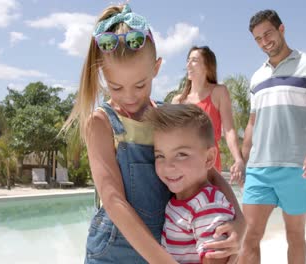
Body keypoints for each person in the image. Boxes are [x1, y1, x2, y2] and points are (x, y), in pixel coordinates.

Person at [62, 4, 245, 263]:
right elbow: (113, 201)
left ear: (156, 69)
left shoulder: (166, 117)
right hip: (115, 253)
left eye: (140, 85)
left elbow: (211, 174)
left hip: (167, 246)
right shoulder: (102, 123)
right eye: (116, 87)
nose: (129, 97)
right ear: (102, 75)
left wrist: (240, 223)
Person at [240, 9, 306, 264]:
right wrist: (243, 159)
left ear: (281, 29)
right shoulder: (257, 77)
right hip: (259, 169)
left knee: (295, 235)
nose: (264, 42)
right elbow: (252, 123)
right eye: (258, 39)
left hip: (297, 167)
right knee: (249, 236)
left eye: (268, 34)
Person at [144, 104, 240, 264]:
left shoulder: (207, 205)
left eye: (181, 154)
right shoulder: (184, 202)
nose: (168, 166)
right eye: (160, 155)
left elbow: (216, 259)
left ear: (209, 159)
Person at [172, 46, 245, 185]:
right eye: (188, 60)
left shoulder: (219, 92)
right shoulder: (177, 101)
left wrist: (238, 159)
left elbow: (229, 130)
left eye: (194, 60)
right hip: (182, 165)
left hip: (209, 163)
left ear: (207, 66)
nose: (188, 64)